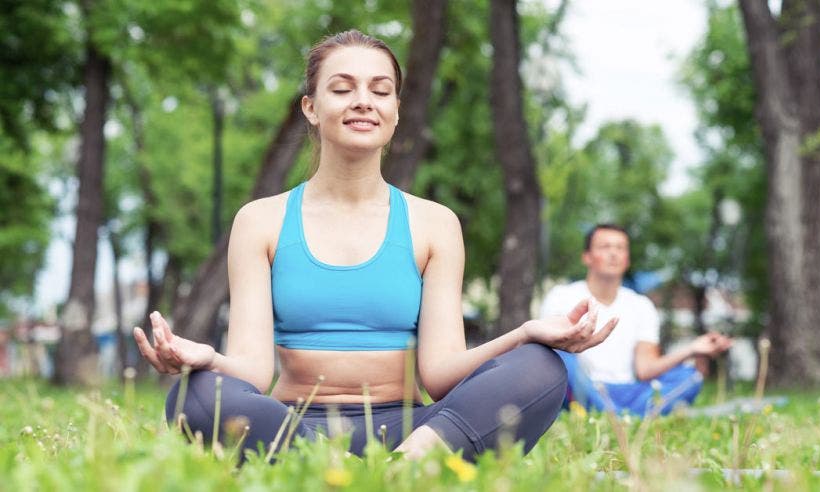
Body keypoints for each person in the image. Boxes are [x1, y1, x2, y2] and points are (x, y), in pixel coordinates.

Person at [133, 30, 617, 463]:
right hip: (291, 427)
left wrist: (526, 332)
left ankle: (400, 467)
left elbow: (442, 374)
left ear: (395, 111)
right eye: (342, 89)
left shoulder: (435, 224)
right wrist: (206, 360)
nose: (363, 101)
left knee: (542, 367)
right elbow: (253, 372)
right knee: (195, 394)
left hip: (413, 431)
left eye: (380, 91)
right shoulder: (260, 221)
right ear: (311, 108)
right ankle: (331, 466)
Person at [540, 224, 732, 416]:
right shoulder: (561, 296)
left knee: (689, 377)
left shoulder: (641, 305)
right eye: (605, 247)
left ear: (627, 259)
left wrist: (692, 349)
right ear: (587, 257)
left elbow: (645, 369)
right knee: (560, 358)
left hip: (629, 391)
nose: (613, 253)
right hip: (582, 386)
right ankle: (624, 416)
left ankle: (612, 414)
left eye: (620, 248)